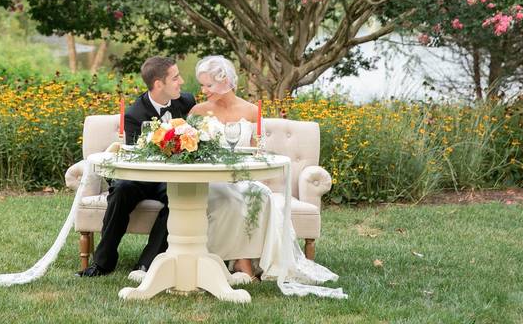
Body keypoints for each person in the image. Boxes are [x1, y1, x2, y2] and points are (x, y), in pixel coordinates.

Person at [191, 55, 345, 297]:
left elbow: (256, 152)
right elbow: (192, 152)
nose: (203, 90)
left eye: (208, 85)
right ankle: (240, 262)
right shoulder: (198, 112)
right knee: (230, 200)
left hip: (242, 177)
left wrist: (253, 170)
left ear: (226, 82)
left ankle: (254, 260)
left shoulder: (251, 111)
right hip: (210, 179)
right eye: (202, 85)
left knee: (260, 194)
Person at [77, 56, 196, 277]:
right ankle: (103, 263)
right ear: (159, 84)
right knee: (121, 190)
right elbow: (139, 156)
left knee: (179, 196)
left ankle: (146, 264)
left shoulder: (187, 102)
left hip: (169, 177)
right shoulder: (134, 115)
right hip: (141, 174)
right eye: (175, 77)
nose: (181, 81)